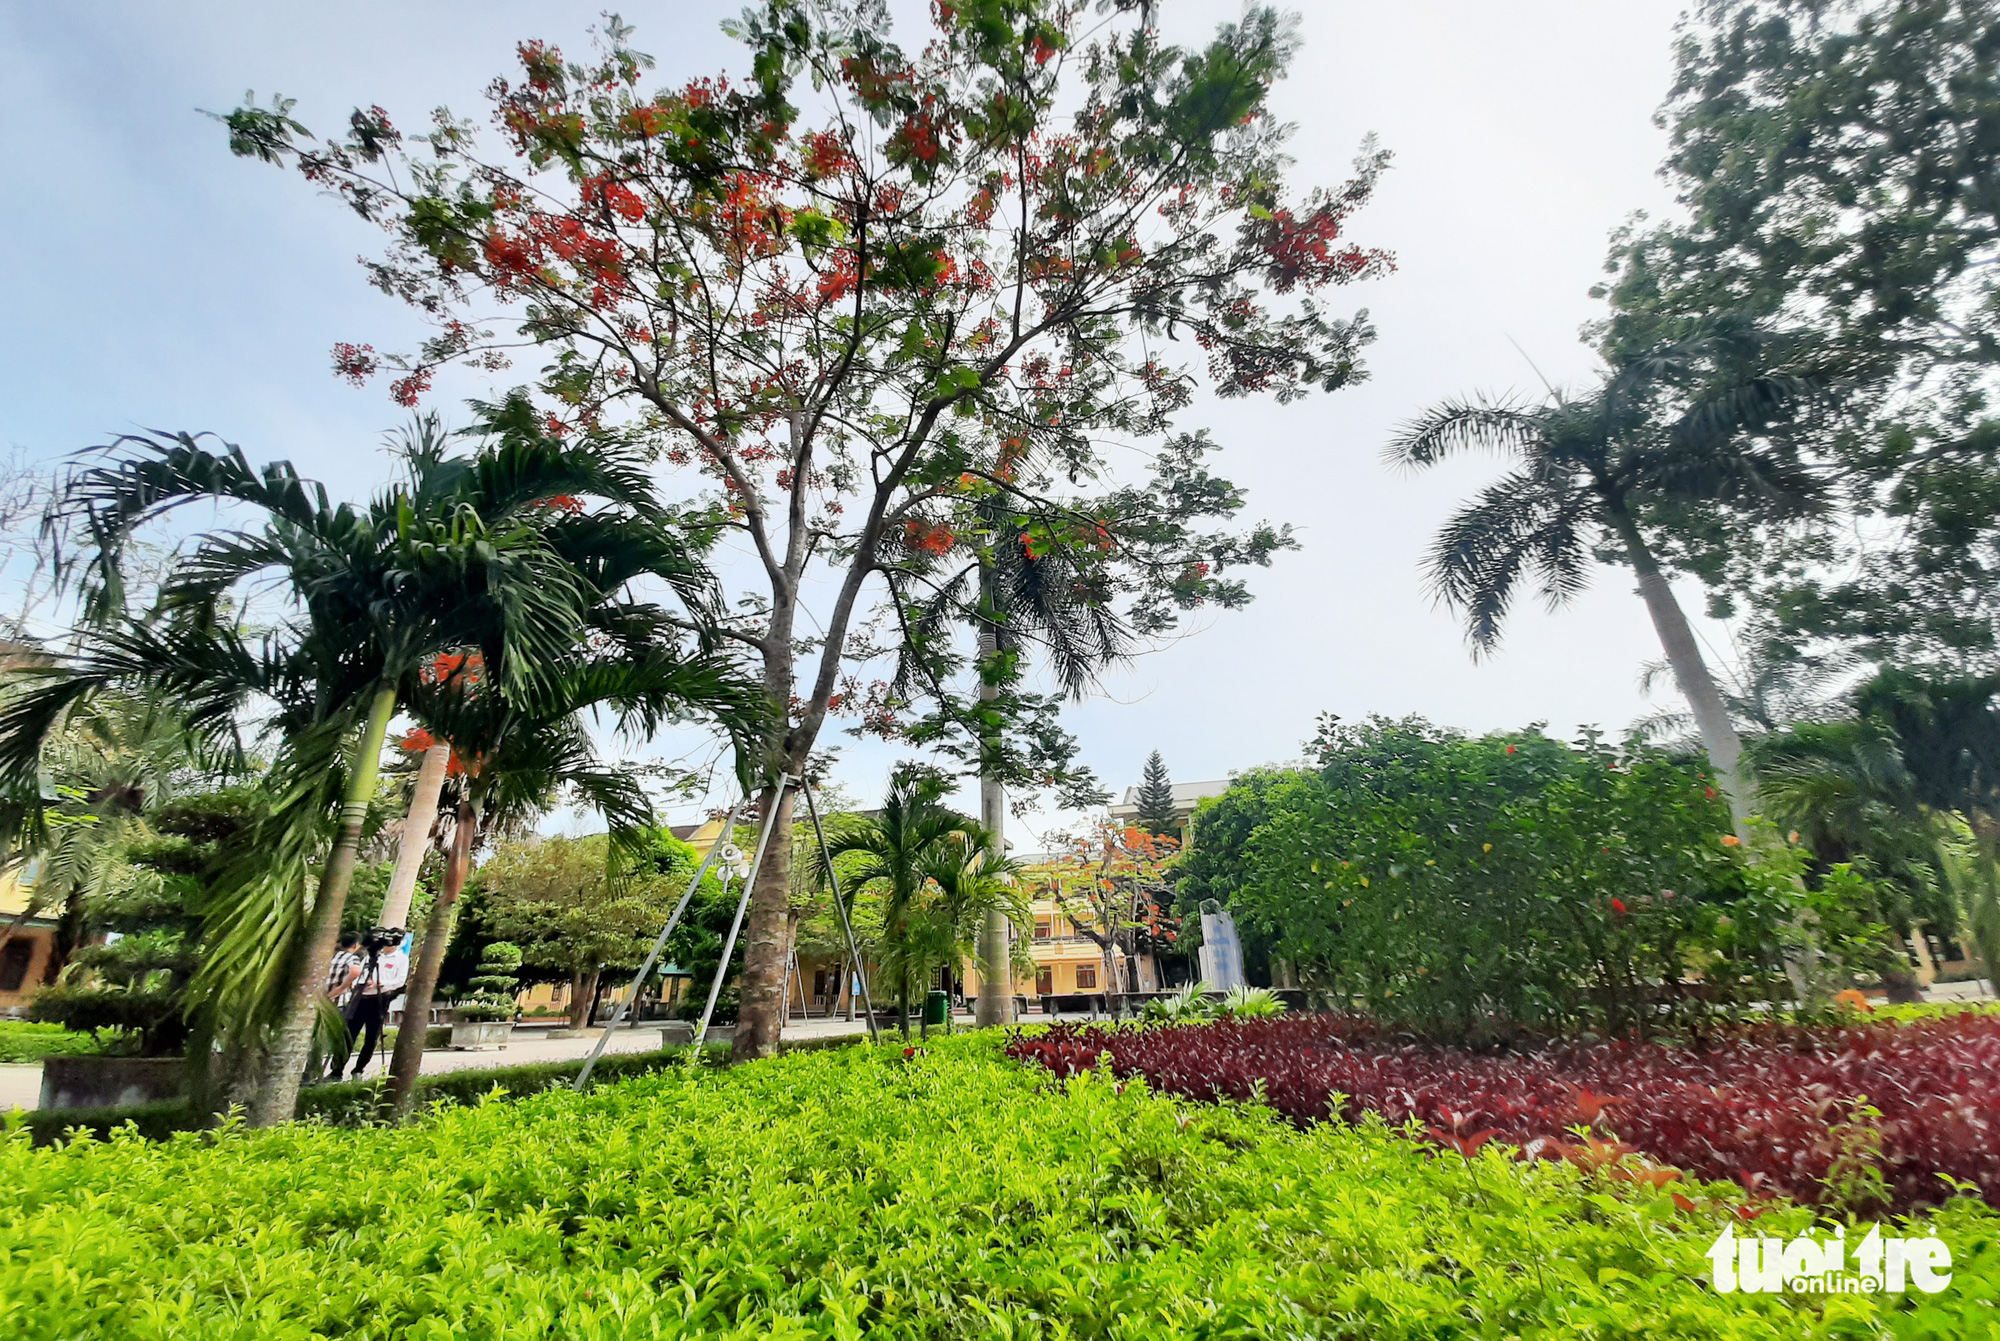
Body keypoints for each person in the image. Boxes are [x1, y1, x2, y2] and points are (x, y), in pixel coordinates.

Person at [342, 929, 410, 1080]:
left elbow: (400, 981)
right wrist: (357, 984)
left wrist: (380, 984)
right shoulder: (372, 956)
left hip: (379, 999)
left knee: (371, 1037)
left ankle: (358, 1069)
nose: (385, 947)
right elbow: (360, 972)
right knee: (349, 1034)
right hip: (361, 997)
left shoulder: (401, 959)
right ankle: (337, 1069)